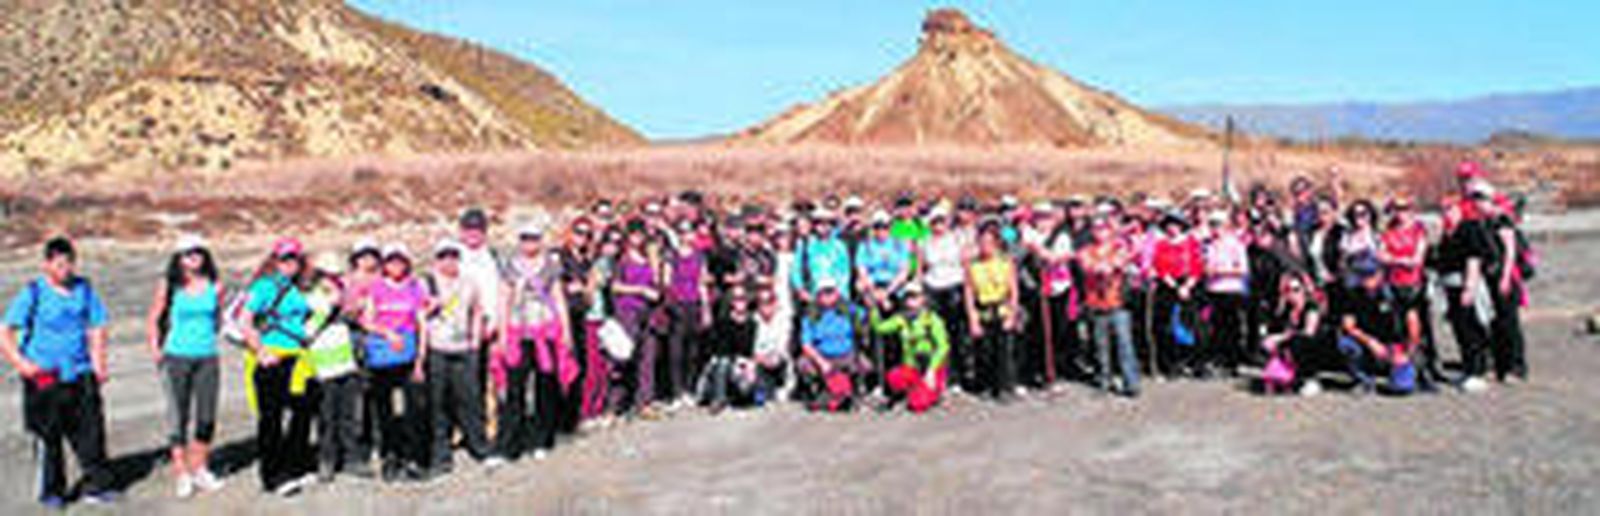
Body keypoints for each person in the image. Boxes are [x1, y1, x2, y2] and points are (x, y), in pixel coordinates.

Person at [1, 237, 117, 507]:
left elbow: (98, 325)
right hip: (44, 374)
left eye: (69, 263)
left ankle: (96, 486)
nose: (65, 269)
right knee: (48, 436)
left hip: (80, 372)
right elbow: (5, 331)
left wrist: (99, 362)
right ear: (47, 264)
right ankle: (52, 491)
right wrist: (22, 364)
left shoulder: (84, 289)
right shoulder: (34, 292)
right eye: (59, 263)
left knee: (91, 433)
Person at [144, 234, 227, 498]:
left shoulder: (215, 286)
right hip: (176, 355)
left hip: (207, 356)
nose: (194, 258)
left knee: (206, 415)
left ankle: (200, 466)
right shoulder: (169, 285)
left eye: (199, 253)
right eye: (188, 254)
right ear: (178, 259)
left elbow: (217, 319)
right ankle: (182, 471)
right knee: (178, 415)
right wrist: (156, 350)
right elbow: (153, 319)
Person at [241, 238, 317, 496]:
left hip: (299, 358)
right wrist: (260, 351)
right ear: (275, 260)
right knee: (271, 418)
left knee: (302, 413)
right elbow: (245, 321)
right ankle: (272, 474)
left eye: (295, 259)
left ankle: (295, 465)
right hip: (272, 357)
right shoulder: (263, 286)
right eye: (285, 259)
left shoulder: (297, 287)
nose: (290, 264)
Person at [499, 222, 575, 460]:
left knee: (545, 385)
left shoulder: (551, 266)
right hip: (518, 331)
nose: (529, 243)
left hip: (545, 329)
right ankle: (512, 443)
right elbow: (504, 301)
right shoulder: (510, 266)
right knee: (515, 388)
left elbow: (558, 298)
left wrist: (566, 331)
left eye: (533, 238)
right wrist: (502, 334)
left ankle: (542, 438)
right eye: (525, 238)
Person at [423, 239, 495, 475]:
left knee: (470, 400)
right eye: (443, 256)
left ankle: (479, 446)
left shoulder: (468, 282)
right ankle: (440, 453)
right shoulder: (427, 283)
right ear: (436, 260)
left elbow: (477, 310)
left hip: (464, 348)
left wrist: (475, 341)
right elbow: (417, 315)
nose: (449, 261)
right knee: (438, 403)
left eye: (453, 256)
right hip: (437, 348)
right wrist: (429, 308)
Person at [360, 243, 429, 481]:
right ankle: (390, 457)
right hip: (382, 356)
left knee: (414, 409)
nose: (395, 266)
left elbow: (422, 324)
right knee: (384, 411)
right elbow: (366, 321)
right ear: (384, 265)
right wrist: (387, 333)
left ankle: (414, 458)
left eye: (400, 261)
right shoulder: (376, 288)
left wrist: (421, 360)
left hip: (408, 355)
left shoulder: (415, 287)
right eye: (390, 261)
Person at [303, 252, 369, 483]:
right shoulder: (310, 299)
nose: (333, 279)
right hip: (323, 365)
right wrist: (327, 310)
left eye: (336, 275)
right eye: (329, 275)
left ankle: (351, 458)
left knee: (348, 415)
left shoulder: (341, 296)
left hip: (345, 362)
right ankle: (327, 460)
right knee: (327, 417)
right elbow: (306, 332)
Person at [1431, 196, 1494, 393]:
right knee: (1460, 329)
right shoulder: (1447, 232)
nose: (1446, 212)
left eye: (1450, 208)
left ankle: (1478, 371)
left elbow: (1473, 259)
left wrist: (1469, 287)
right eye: (1443, 209)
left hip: (1465, 283)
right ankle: (1468, 369)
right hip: (1450, 285)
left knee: (1472, 328)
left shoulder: (1469, 228)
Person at [1333, 254, 1417, 395]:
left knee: (1403, 387)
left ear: (1381, 274)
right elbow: (1348, 326)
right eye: (1361, 274)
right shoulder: (1352, 294)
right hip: (1369, 343)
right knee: (1345, 344)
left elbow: (1413, 324)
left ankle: (1402, 372)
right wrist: (1370, 342)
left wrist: (1407, 352)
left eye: (1369, 274)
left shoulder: (1396, 292)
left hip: (1395, 345)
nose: (1365, 279)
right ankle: (1364, 380)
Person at [1080, 218, 1141, 397]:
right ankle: (1104, 380)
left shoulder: (1118, 248)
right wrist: (1104, 266)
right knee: (1101, 345)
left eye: (1104, 229)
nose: (1100, 232)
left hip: (1118, 302)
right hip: (1096, 303)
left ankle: (1131, 382)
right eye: (1097, 229)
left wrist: (1109, 265)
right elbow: (1088, 267)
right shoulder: (1086, 251)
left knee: (1124, 344)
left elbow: (1121, 262)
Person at [869, 283, 950, 413]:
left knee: (918, 404)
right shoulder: (901, 319)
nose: (910, 301)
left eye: (915, 297)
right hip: (911, 367)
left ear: (923, 299)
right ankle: (911, 392)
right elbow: (880, 328)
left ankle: (933, 392)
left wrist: (932, 370)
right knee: (894, 377)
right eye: (908, 297)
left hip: (930, 369)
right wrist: (875, 307)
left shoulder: (932, 319)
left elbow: (943, 347)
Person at [965, 221, 1023, 401]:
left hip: (1002, 307)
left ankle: (1005, 386)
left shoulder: (1006, 263)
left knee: (1004, 350)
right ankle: (986, 385)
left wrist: (1012, 314)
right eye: (981, 243)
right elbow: (968, 292)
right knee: (984, 351)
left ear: (996, 244)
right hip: (984, 308)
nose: (985, 247)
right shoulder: (972, 265)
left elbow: (1013, 290)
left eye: (989, 243)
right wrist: (972, 318)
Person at [611, 219, 663, 417]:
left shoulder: (649, 257)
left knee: (647, 357)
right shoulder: (622, 259)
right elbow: (615, 286)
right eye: (634, 235)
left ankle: (645, 401)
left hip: (647, 313)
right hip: (627, 311)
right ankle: (616, 403)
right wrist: (639, 290)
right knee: (624, 357)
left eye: (641, 235)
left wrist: (655, 261)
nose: (638, 239)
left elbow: (657, 282)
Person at [797, 280, 869, 412]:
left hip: (846, 354)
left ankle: (852, 392)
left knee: (863, 364)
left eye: (830, 292)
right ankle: (821, 392)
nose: (827, 296)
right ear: (817, 295)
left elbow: (868, 313)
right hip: (823, 356)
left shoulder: (849, 309)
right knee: (804, 364)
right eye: (823, 293)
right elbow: (806, 344)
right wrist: (822, 362)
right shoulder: (810, 315)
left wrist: (865, 293)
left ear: (837, 293)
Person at [1203, 209, 1251, 377]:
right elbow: (1207, 268)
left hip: (1232, 289)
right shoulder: (1210, 245)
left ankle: (1233, 362)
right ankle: (1220, 360)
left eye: (1218, 225)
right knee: (1217, 328)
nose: (1215, 229)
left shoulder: (1235, 244)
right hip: (1214, 290)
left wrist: (1222, 271)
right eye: (1212, 225)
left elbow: (1243, 269)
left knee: (1232, 328)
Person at [1260, 273, 1323, 396]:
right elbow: (1274, 328)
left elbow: (1309, 331)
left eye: (1296, 289)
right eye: (1288, 290)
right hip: (1291, 341)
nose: (1293, 294)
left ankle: (1310, 378)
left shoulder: (1311, 307)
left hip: (1313, 344)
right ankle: (1282, 377)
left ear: (1304, 289)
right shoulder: (1286, 309)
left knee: (1298, 342)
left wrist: (1281, 337)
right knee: (1268, 342)